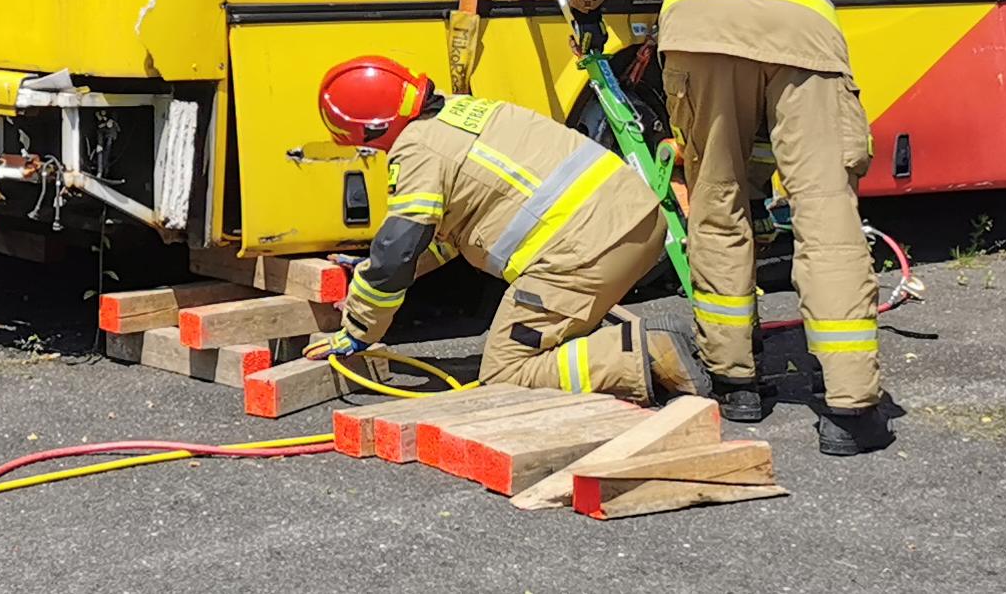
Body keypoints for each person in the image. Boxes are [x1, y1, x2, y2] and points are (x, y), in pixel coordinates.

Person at [563, 0, 892, 455]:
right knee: (828, 218)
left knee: (717, 204)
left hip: (704, 38)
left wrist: (584, 3)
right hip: (808, 44)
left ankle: (736, 383)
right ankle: (850, 410)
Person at [303, 57, 708, 405]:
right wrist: (368, 268)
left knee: (506, 371)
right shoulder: (462, 111)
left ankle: (647, 354)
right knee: (541, 339)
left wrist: (358, 329)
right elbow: (441, 238)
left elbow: (397, 253)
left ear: (370, 131)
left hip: (582, 253)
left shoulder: (416, 150)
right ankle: (642, 347)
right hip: (635, 221)